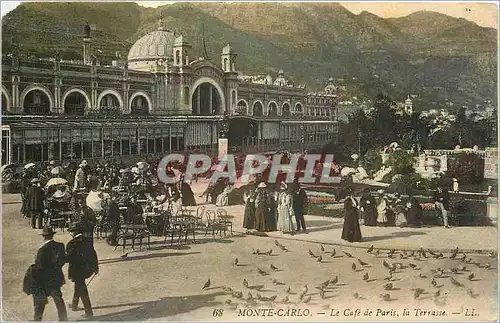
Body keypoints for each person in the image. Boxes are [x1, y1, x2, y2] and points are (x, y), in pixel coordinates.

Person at [31, 226, 68, 321]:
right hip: (56, 277)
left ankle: (37, 320)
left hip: (44, 280)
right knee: (59, 300)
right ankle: (63, 320)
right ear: (52, 235)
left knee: (40, 303)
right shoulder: (60, 246)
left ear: (44, 236)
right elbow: (63, 260)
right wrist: (56, 268)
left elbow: (39, 267)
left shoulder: (42, 250)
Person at [66, 223, 98, 320]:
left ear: (75, 232)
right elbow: (93, 254)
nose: (70, 233)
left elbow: (70, 258)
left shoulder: (72, 244)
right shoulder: (87, 240)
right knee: (79, 286)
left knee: (83, 291)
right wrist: (96, 268)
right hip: (86, 269)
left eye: (71, 231)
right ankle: (74, 305)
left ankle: (89, 313)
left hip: (77, 270)